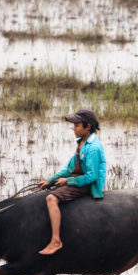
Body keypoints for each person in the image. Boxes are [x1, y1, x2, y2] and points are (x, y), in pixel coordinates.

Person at [37, 109, 107, 255]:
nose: (73, 128)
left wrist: (68, 181)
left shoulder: (93, 148)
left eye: (77, 125)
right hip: (78, 179)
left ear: (87, 127)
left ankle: (56, 240)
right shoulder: (82, 143)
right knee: (48, 191)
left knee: (51, 198)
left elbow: (92, 176)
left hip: (87, 185)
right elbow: (69, 169)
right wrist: (50, 181)